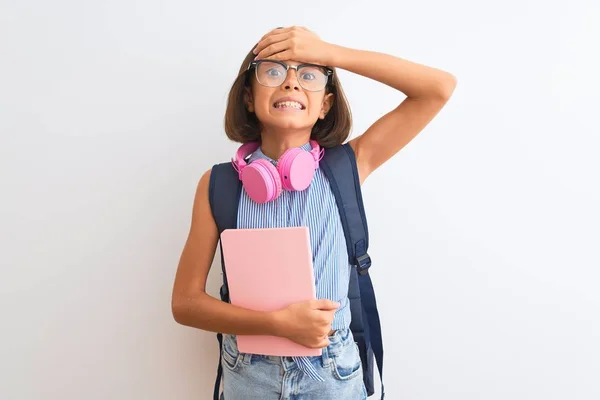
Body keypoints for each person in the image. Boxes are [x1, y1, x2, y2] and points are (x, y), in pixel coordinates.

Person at [171, 26, 456, 399]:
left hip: (333, 372)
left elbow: (438, 88)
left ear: (325, 105)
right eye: (273, 71)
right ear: (248, 97)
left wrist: (331, 53)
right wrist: (275, 324)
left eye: (309, 74)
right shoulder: (218, 184)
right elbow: (185, 303)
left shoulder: (349, 165)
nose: (291, 84)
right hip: (248, 373)